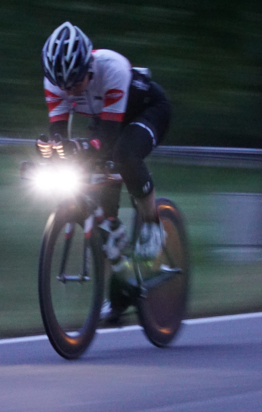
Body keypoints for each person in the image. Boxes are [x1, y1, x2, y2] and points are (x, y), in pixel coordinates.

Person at [36, 21, 171, 323]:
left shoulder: (113, 68)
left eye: (76, 82)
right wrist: (50, 153)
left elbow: (107, 141)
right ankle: (123, 289)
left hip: (147, 111)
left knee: (123, 155)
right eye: (64, 86)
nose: (70, 90)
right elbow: (59, 137)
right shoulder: (55, 82)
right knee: (103, 215)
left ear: (89, 66)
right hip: (107, 121)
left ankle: (152, 223)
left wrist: (81, 149)